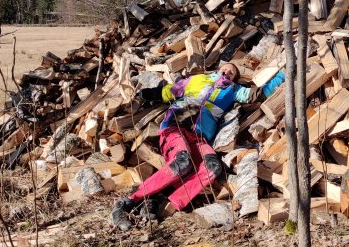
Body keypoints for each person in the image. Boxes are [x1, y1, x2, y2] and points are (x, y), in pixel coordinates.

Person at [111, 62, 284, 230]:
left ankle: (164, 203)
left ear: (235, 78)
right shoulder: (197, 79)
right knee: (183, 161)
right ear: (218, 68)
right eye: (226, 68)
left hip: (200, 137)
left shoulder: (234, 90)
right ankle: (127, 201)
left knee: (213, 168)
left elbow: (258, 95)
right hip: (176, 127)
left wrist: (283, 75)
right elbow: (168, 92)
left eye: (232, 72)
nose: (228, 72)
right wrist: (145, 94)